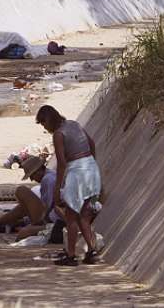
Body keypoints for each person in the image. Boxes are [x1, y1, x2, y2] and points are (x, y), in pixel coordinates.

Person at [36, 105, 101, 266]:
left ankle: (71, 255)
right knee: (84, 215)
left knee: (71, 216)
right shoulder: (74, 124)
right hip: (91, 168)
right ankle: (92, 251)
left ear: (49, 121)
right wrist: (90, 163)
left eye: (43, 124)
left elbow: (62, 164)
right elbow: (92, 144)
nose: (44, 127)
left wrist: (58, 189)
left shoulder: (59, 134)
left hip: (77, 172)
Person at [0, 156, 61, 240]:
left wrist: (30, 222)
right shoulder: (50, 175)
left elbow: (48, 207)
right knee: (22, 208)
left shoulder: (48, 179)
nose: (32, 179)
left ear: (38, 170)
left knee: (21, 191)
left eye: (32, 175)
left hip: (51, 219)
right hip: (49, 216)